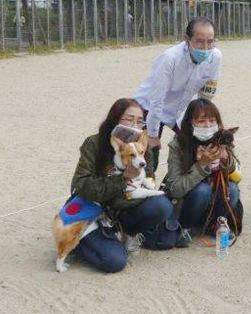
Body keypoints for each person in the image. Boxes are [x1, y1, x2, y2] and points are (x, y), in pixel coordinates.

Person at [70, 98, 173, 273]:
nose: (135, 124)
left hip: (124, 209)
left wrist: (145, 184)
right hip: (95, 210)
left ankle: (128, 231)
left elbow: (149, 180)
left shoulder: (141, 147)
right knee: (114, 262)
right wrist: (123, 179)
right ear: (115, 119)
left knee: (161, 205)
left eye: (140, 121)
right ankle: (78, 241)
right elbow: (80, 186)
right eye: (129, 119)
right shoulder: (94, 143)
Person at [135, 17, 222, 170]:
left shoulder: (215, 57)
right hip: (149, 108)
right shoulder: (170, 58)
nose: (206, 47)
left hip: (180, 109)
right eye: (200, 41)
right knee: (149, 157)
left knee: (194, 146)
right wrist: (153, 135)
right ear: (187, 39)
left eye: (211, 41)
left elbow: (206, 95)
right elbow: (157, 100)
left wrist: (203, 120)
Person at [166, 99, 242, 241]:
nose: (208, 125)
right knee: (202, 190)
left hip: (215, 199)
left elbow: (238, 175)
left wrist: (227, 159)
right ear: (190, 123)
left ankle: (218, 223)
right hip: (188, 201)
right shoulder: (178, 145)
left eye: (212, 121)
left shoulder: (222, 139)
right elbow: (175, 189)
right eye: (201, 121)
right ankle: (186, 227)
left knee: (232, 188)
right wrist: (201, 165)